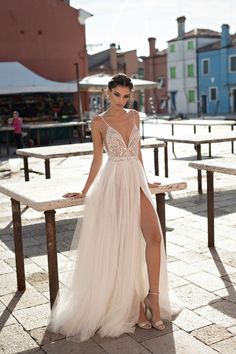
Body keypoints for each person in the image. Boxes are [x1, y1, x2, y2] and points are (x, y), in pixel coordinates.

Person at [49, 73, 181, 341]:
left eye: (126, 95)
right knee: (124, 246)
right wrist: (85, 191)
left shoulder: (135, 116)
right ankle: (134, 306)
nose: (121, 100)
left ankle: (152, 298)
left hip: (136, 180)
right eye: (117, 94)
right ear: (108, 93)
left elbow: (138, 151)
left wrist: (146, 178)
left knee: (154, 237)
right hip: (114, 183)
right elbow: (97, 159)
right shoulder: (98, 122)